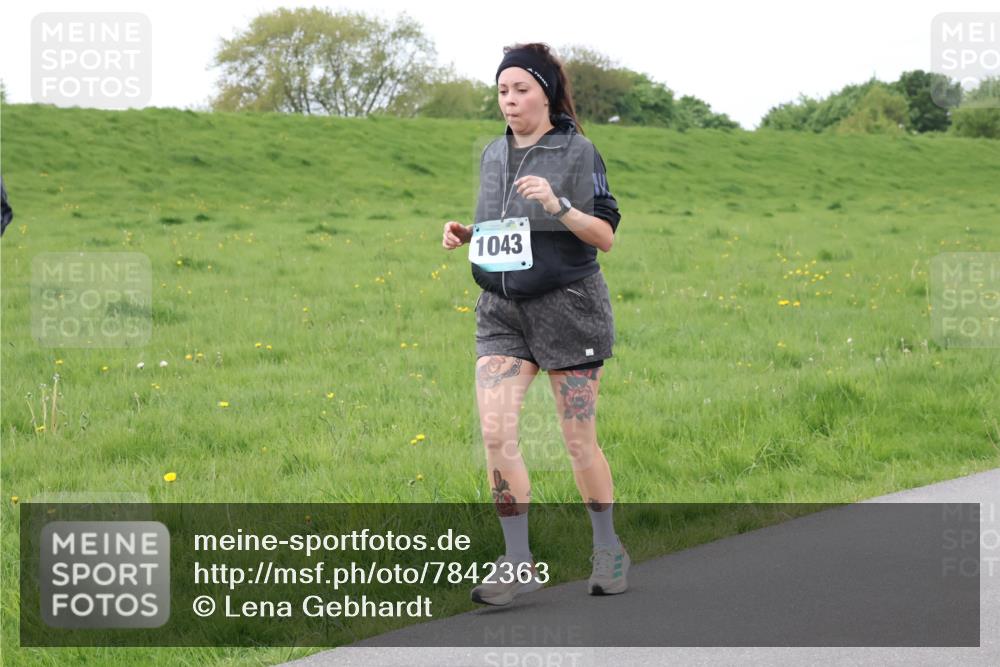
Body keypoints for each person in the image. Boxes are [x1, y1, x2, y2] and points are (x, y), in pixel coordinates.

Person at [441, 42, 628, 606]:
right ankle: (518, 561)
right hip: (502, 312)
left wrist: (558, 205)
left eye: (521, 89)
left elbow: (605, 237)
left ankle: (608, 548)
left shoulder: (578, 152)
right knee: (496, 434)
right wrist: (468, 235)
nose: (510, 100)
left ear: (545, 94)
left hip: (568, 307)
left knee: (577, 442)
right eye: (502, 90)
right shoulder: (492, 154)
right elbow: (505, 228)